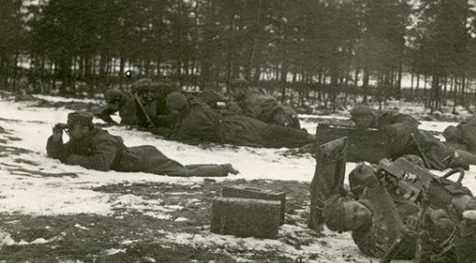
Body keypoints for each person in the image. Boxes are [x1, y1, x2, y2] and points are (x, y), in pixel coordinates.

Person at [323, 160, 476, 263]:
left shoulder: (370, 192)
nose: (361, 215)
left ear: (351, 199)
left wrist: (388, 171)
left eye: (356, 209)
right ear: (346, 230)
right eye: (355, 220)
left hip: (451, 212)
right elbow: (392, 234)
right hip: (449, 243)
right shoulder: (365, 241)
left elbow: (413, 180)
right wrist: (376, 188)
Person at [46, 111, 238, 177]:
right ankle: (220, 167)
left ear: (86, 129)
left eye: (73, 128)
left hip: (143, 160)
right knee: (180, 167)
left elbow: (100, 164)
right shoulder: (81, 138)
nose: (69, 132)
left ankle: (223, 168)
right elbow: (59, 153)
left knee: (184, 173)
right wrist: (56, 139)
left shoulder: (102, 140)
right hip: (137, 155)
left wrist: (70, 158)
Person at [349, 105, 476, 170]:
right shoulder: (368, 128)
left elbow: (412, 122)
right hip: (405, 152)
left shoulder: (387, 116)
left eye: (358, 120)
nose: (357, 124)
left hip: (421, 143)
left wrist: (395, 129)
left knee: (449, 154)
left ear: (368, 117)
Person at [165, 92, 313, 149]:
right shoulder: (197, 104)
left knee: (267, 141)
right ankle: (305, 136)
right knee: (269, 130)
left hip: (232, 132)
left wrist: (160, 130)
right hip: (239, 120)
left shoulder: (191, 120)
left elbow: (179, 136)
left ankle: (304, 142)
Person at [227, 79, 301, 129]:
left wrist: (236, 109)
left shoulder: (254, 99)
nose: (232, 93)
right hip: (287, 117)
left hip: (284, 121)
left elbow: (249, 120)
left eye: (233, 91)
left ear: (242, 90)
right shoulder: (251, 95)